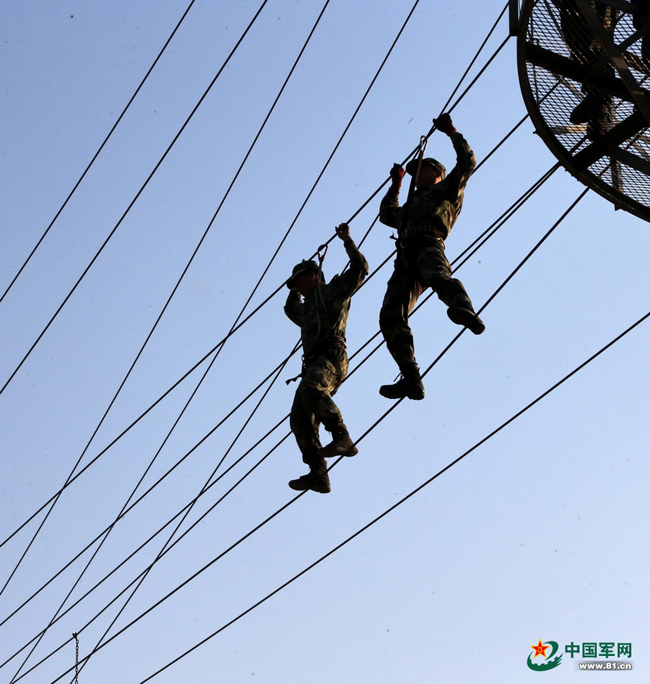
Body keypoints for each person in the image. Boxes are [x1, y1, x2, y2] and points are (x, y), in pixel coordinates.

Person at [378, 113, 483, 401]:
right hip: (405, 257)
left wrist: (452, 132)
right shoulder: (410, 205)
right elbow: (387, 215)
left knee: (437, 276)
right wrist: (397, 185)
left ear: (438, 173)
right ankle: (411, 377)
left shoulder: (447, 189)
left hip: (428, 242)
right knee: (390, 315)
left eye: (423, 169)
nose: (418, 174)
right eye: (416, 171)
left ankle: (463, 308)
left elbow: (468, 163)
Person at [284, 223, 368, 494]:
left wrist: (347, 241)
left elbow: (360, 269)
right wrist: (293, 286)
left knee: (311, 390)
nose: (297, 287)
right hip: (314, 364)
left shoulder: (333, 291)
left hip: (332, 358)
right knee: (299, 418)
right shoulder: (306, 309)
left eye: (299, 281)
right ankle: (318, 473)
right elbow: (290, 308)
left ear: (312, 276)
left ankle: (341, 435)